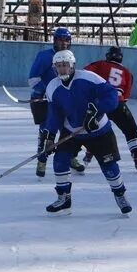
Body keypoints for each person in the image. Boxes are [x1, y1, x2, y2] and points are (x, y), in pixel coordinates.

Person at [39, 49, 132, 216]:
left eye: (65, 65)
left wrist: (97, 110)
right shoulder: (52, 87)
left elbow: (111, 95)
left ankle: (120, 195)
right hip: (72, 131)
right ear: (54, 68)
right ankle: (64, 198)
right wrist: (50, 135)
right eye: (59, 66)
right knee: (60, 160)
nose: (62, 69)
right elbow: (55, 114)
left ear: (73, 65)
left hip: (99, 131)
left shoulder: (89, 78)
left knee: (109, 166)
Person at [81, 46, 137, 173]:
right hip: (118, 103)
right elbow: (125, 96)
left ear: (108, 56)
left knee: (94, 128)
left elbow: (84, 73)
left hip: (101, 103)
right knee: (131, 131)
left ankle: (88, 155)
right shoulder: (127, 72)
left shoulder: (100, 64)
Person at [27, 26, 85, 178]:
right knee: (46, 132)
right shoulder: (44, 56)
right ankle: (42, 160)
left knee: (69, 130)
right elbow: (33, 79)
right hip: (44, 101)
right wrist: (46, 91)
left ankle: (71, 156)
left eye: (67, 40)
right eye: (60, 40)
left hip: (63, 100)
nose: (64, 43)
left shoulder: (69, 56)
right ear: (54, 40)